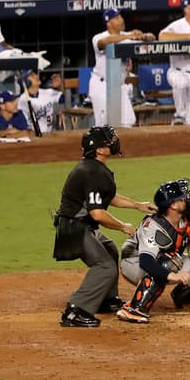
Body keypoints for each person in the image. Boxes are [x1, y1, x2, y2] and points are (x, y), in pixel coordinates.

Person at [53, 125, 157, 328]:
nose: (114, 143)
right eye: (109, 141)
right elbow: (97, 214)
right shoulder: (91, 172)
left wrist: (137, 205)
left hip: (80, 225)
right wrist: (123, 226)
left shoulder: (93, 168)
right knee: (105, 266)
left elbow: (108, 197)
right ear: (99, 150)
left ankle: (105, 299)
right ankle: (75, 311)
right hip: (74, 228)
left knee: (109, 249)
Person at [116, 178, 190, 323]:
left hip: (166, 260)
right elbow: (146, 261)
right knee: (169, 261)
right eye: (183, 197)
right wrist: (173, 276)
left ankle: (184, 298)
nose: (188, 199)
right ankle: (135, 308)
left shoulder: (186, 219)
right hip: (134, 263)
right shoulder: (154, 226)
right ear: (173, 205)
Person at [90, 8, 156, 128]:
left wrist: (144, 36)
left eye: (120, 16)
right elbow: (105, 42)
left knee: (128, 121)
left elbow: (152, 38)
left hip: (118, 86)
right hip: (101, 85)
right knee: (103, 126)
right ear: (109, 23)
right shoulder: (99, 37)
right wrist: (130, 36)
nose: (121, 20)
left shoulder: (127, 35)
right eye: (117, 18)